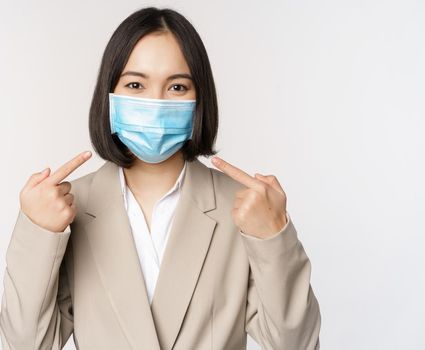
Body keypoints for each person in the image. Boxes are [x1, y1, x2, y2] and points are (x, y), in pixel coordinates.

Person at [0, 7, 321, 350]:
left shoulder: (243, 208)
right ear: (109, 96)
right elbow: (26, 344)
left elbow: (297, 343)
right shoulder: (67, 210)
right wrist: (37, 232)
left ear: (200, 100)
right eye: (136, 84)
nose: (155, 103)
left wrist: (274, 237)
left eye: (177, 86)